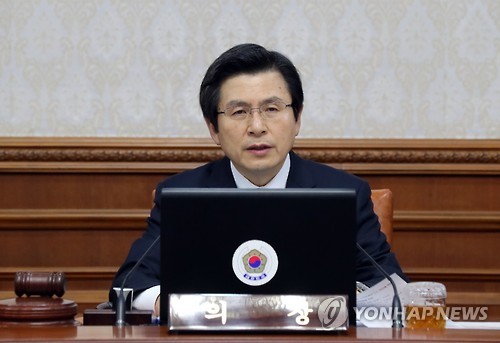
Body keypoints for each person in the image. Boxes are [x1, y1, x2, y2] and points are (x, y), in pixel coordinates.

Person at [110, 43, 408, 316]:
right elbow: (130, 284)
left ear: (297, 119)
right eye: (239, 111)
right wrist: (182, 307)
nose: (256, 127)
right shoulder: (180, 194)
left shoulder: (345, 193)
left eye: (272, 109)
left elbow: (389, 287)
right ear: (213, 129)